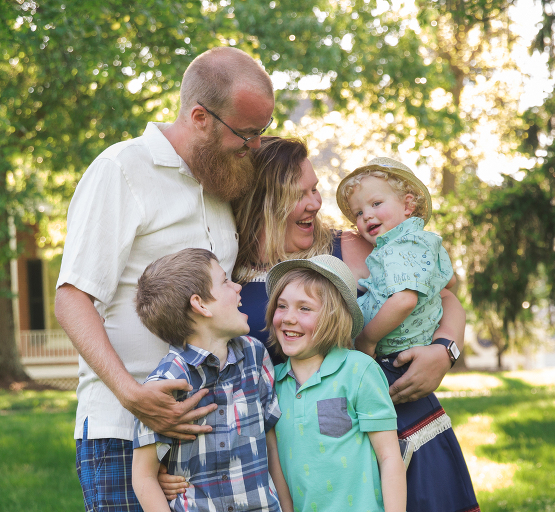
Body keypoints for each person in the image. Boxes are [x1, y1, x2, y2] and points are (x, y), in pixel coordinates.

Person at [54, 46, 275, 511]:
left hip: (205, 440)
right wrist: (133, 396)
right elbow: (73, 298)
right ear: (199, 116)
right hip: (122, 427)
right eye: (247, 133)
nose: (255, 146)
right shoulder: (122, 170)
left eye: (262, 132)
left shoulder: (221, 181)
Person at [232, 137, 466, 403]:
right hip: (276, 436)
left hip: (381, 420)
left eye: (315, 189)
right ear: (262, 203)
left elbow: (443, 295)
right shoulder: (226, 268)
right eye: (299, 195)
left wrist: (445, 350)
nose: (316, 203)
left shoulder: (352, 247)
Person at [336, 157, 480, 512]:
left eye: (375, 204)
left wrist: (366, 340)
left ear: (408, 204)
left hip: (392, 361)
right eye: (357, 212)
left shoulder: (404, 245)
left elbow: (405, 300)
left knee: (402, 463)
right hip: (386, 363)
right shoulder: (396, 244)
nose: (365, 217)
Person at [132, 248, 292, 512]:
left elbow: (270, 445)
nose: (238, 287)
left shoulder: (255, 354)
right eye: (225, 280)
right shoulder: (165, 383)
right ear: (201, 304)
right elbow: (144, 476)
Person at [265, 254, 406, 512]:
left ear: (334, 317)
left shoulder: (358, 371)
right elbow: (276, 463)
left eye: (304, 308)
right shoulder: (271, 382)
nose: (287, 317)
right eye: (281, 306)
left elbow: (389, 457)